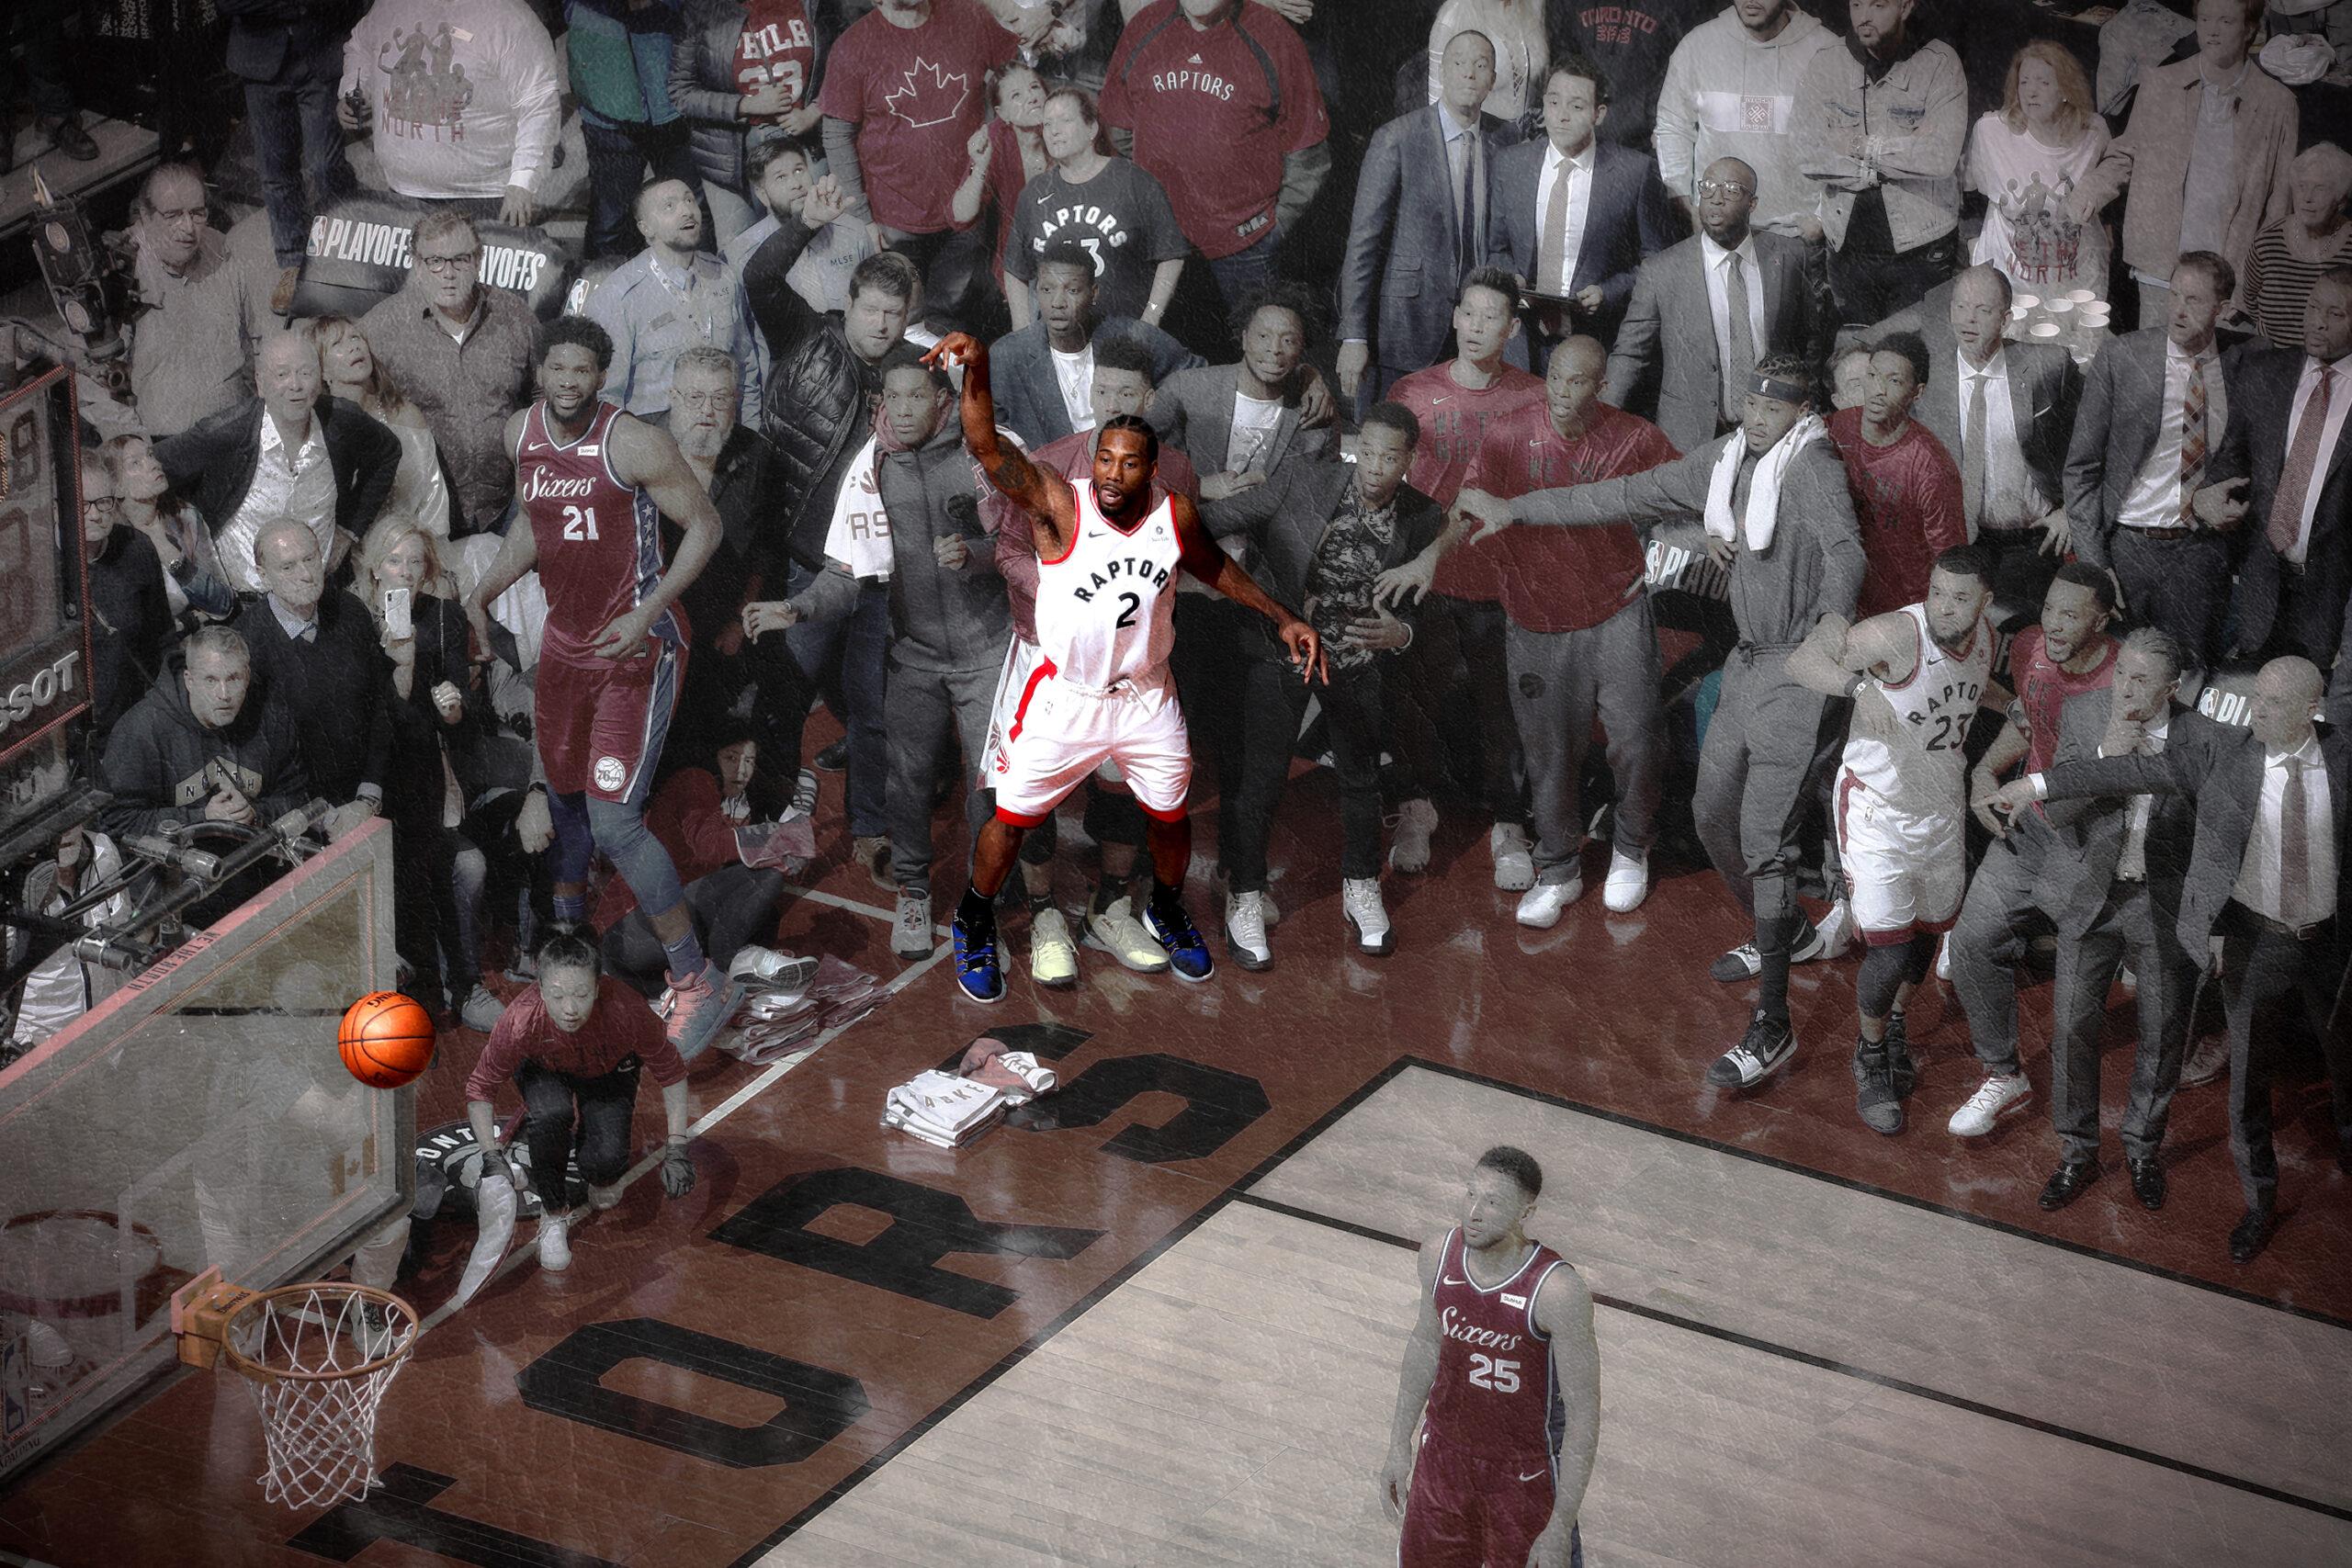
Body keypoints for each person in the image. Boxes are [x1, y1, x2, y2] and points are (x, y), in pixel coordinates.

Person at [1460, 354, 1863, 1089]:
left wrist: (1831, 635)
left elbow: (1846, 552)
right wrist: (1517, 509)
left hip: (1800, 666)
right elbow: (1622, 493)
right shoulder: (1729, 457)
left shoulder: (1812, 467)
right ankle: (1790, 934)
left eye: (1774, 409)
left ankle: (1773, 1025)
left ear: (1803, 413)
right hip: (1749, 661)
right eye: (1752, 404)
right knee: (1712, 816)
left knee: (1764, 841)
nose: (1758, 418)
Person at [929, 329, 1321, 1002]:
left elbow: (1215, 567)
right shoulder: (1060, 499)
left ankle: (1157, 908)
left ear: (1152, 468)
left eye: (1127, 463)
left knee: (1168, 812)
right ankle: (975, 917)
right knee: (1013, 816)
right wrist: (978, 369)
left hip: (1144, 692)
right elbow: (987, 446)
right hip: (1066, 690)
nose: (1111, 474)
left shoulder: (1174, 508)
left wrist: (1280, 614)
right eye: (1104, 460)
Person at [1990, 658, 2352, 1264]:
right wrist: (2035, 786)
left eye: (2271, 704)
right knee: (2249, 1084)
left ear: (2310, 711)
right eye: (2255, 697)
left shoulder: (2343, 756)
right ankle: (2259, 1203)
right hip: (2257, 940)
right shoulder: (2225, 753)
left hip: (2332, 945)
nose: (2255, 712)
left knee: (2345, 1062)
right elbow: (2132, 769)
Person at [462, 317, 744, 1060]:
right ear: (541, 371)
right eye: (556, 367)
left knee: (615, 822)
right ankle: (573, 945)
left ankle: (698, 978)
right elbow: (536, 524)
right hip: (566, 644)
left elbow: (706, 527)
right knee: (562, 794)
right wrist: (483, 590)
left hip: (636, 646)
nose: (567, 381)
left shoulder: (634, 442)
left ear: (601, 377)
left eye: (581, 370)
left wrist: (650, 609)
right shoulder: (521, 434)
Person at [743, 348, 1013, 960]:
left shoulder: (988, 450)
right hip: (913, 656)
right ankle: (914, 890)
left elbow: (1029, 544)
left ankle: (982, 903)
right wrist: (798, 608)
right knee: (907, 779)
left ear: (943, 400)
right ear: (879, 402)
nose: (905, 409)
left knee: (990, 783)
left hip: (988, 653)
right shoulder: (870, 468)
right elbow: (847, 572)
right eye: (894, 397)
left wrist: (975, 554)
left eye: (918, 396)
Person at [986, 338, 1203, 986]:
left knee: (1123, 786)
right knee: (1033, 794)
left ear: (1149, 399)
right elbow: (1007, 551)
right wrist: (1071, 596)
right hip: (1050, 658)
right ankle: (1046, 914)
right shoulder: (1049, 464)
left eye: (1125, 392)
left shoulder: (1176, 471)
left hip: (1131, 671)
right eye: (1101, 389)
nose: (1111, 402)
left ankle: (1109, 907)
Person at [1198, 403, 1445, 963]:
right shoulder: (1304, 480)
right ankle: (1246, 895)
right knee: (1261, 782)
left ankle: (1362, 888)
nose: (1375, 467)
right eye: (1368, 452)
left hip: (1358, 664)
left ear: (1409, 459)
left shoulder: (1423, 515)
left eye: (1390, 457)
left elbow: (1425, 606)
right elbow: (1211, 521)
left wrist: (1401, 633)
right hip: (1283, 653)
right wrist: (1237, 587)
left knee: (1361, 782)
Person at [1456, 335, 1678, 923]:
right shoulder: (1508, 432)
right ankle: (1558, 867)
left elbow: (1682, 492)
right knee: (1548, 752)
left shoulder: (1634, 436)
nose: (1559, 391)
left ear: (1601, 387)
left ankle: (1631, 846)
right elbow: (1471, 497)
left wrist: (1688, 537)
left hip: (1617, 608)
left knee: (1636, 736)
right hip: (1537, 616)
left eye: (1576, 381)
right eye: (1553, 376)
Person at [1785, 547, 1996, 1133]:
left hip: (1941, 807)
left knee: (1926, 933)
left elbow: (1972, 687)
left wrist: (2016, 705)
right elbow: (1803, 661)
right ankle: (1870, 1052)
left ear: (1985, 603)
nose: (1944, 607)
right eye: (1937, 592)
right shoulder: (1898, 634)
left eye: (1960, 597)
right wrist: (1858, 689)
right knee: (1890, 948)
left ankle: (1895, 1022)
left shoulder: (1986, 641)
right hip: (1876, 810)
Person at [739, 249, 922, 884]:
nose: (881, 323)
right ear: (849, 303)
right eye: (871, 309)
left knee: (872, 712)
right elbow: (760, 276)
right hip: (809, 566)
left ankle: (869, 829)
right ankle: (770, 820)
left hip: (875, 574)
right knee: (785, 701)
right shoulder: (812, 338)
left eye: (893, 313)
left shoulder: (913, 369)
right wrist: (806, 222)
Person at [2029, 627, 2204, 1214]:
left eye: (2141, 679)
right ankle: (2077, 1151)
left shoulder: (2199, 736)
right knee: (2072, 1029)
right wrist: (2104, 757)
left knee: (2162, 1031)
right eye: (2121, 672)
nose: (2124, 687)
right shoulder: (2086, 715)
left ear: (2172, 689)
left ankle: (2142, 1149)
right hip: (2092, 899)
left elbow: (2216, 834)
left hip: (2160, 904)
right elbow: (2057, 811)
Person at [1944, 564, 2117, 1140]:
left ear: (2102, 621)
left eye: (2070, 614)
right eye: (2049, 609)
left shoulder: (2123, 681)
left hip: (2092, 842)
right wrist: (1984, 772)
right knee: (1972, 942)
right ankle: (2003, 1074)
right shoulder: (2029, 647)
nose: (2054, 624)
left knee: (2081, 998)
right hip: (2031, 822)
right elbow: (2029, 717)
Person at [1383, 269, 1544, 889]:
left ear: (1512, 329)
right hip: (1427, 578)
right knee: (1415, 702)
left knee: (1501, 709)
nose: (1476, 327)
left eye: (1490, 317)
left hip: (1501, 582)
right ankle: (1416, 810)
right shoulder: (1414, 391)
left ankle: (1509, 825)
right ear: (1454, 318)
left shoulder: (1532, 396)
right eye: (1468, 313)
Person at [1377, 1145, 1597, 1568]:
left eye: (1493, 1202)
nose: (1474, 1212)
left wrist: (1560, 1524)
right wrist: (1398, 1444)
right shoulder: (1438, 1255)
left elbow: (1584, 1416)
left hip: (1525, 1474)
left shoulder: (1557, 1291)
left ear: (1525, 1213)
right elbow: (1425, 1344)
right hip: (1443, 1459)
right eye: (1470, 1194)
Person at [463, 931, 700, 1275]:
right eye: (557, 995)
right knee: (551, 1114)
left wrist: (677, 1146)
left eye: (581, 994)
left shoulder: (628, 1011)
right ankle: (553, 1211)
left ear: (599, 988)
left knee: (605, 1166)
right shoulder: (519, 1022)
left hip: (608, 1069)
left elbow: (672, 1072)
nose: (570, 1009)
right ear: (540, 989)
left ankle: (597, 1165)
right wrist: (490, 1154)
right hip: (544, 1068)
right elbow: (480, 1089)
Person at [1101, 0, 1330, 323]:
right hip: (1161, 242)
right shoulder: (1146, 26)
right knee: (1158, 344)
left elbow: (1307, 148)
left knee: (1258, 346)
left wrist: (1275, 227)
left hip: (1247, 244)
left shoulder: (1272, 35)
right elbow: (1119, 126)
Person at [2064, 252, 2238, 671]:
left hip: (2199, 552)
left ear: (2222, 309)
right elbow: (2081, 469)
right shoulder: (2122, 357)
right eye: (2173, 294)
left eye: (2193, 300)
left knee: (2187, 673)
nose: (2178, 309)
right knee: (2115, 670)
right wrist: (2095, 563)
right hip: (2128, 549)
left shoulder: (2244, 362)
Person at [2073, 0, 2294, 328]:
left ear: (2250, 29)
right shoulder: (2160, 83)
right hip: (2161, 267)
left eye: (2225, 21)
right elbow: (2126, 154)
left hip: (2227, 277)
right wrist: (2091, 188)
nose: (2212, 31)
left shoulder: (2276, 103)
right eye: (2205, 19)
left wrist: (2254, 285)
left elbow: (2279, 205)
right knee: (2158, 355)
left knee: (2218, 361)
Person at [357, 514, 498, 1028]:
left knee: (448, 866)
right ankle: (414, 995)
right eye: (394, 560)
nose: (406, 571)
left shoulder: (444, 617)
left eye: (416, 561)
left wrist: (453, 710)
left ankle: (461, 987)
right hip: (368, 773)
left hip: (423, 771)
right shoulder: (354, 617)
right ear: (375, 568)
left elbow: (463, 724)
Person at [1602, 156, 1833, 455]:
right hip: (1690, 435)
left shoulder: (1788, 255)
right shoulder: (1662, 270)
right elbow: (1630, 353)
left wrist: (1806, 401)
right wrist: (1602, 417)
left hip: (1775, 432)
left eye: (1731, 190)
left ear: (1752, 203)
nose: (1716, 198)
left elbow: (1811, 338)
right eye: (1708, 187)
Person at [1338, 32, 1515, 406]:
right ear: (1441, 72)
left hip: (1475, 331)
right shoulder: (1397, 138)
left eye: (1481, 65)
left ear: (1493, 79)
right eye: (1459, 63)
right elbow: (1363, 244)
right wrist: (1354, 335)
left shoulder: (1506, 139)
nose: (1469, 73)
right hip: (1404, 326)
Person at [1896, 265, 2079, 627]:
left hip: (2033, 539)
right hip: (1958, 541)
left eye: (1982, 310)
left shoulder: (2048, 366)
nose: (1969, 319)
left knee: (2022, 633)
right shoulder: (1928, 378)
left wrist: (2070, 510)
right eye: (1961, 307)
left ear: (2006, 320)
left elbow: (2089, 447)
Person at [96, 626, 314, 925]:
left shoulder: (270, 718)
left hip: (258, 888)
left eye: (233, 679)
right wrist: (203, 820)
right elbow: (116, 825)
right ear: (189, 680)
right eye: (211, 680)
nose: (224, 695)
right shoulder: (142, 731)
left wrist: (256, 814)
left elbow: (299, 796)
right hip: (178, 903)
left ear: (247, 676)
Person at [155, 329, 401, 592]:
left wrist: (349, 529)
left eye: (305, 373)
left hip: (320, 593)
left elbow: (388, 452)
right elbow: (152, 465)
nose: (295, 385)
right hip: (244, 598)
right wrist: (155, 530)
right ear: (260, 383)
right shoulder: (228, 431)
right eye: (282, 375)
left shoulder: (340, 420)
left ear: (320, 378)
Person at [359, 210, 547, 539]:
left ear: (478, 261)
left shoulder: (515, 316)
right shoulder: (381, 327)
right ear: (417, 265)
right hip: (421, 514)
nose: (448, 273)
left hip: (506, 503)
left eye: (460, 259)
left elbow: (541, 393)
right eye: (435, 261)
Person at [818, 0, 1018, 298]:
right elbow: (837, 136)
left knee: (953, 310)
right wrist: (861, 219)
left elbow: (1018, 72)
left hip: (968, 205)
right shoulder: (852, 47)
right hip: (892, 221)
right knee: (903, 311)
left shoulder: (970, 16)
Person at [1487, 54, 1678, 359]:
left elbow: (1658, 260)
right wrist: (1512, 278)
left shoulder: (1635, 172)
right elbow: (1496, 247)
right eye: (1553, 102)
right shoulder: (1510, 165)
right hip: (1520, 339)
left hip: (1596, 341)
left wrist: (1609, 292)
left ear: (1598, 114)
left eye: (1576, 106)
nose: (1562, 116)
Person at [662, 344, 794, 771]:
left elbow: (766, 551)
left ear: (736, 401)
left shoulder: (757, 457)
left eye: (720, 399)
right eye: (695, 397)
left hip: (720, 630)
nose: (707, 410)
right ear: (672, 396)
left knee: (710, 745)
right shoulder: (642, 445)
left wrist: (739, 619)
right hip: (656, 627)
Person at [1795, 0, 1965, 327]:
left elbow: (1940, 157)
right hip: (1847, 250)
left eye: (1878, 4)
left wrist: (1858, 146)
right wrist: (1899, 157)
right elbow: (1805, 150)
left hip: (1923, 248)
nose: (1864, 16)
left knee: (1913, 348)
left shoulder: (1940, 63)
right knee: (1855, 348)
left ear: (1906, 7)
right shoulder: (1826, 62)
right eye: (1856, 4)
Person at [2214, 268, 2352, 669]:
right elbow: (2232, 458)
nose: (2318, 322)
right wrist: (2213, 496)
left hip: (2330, 595)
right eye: (2313, 307)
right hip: (2260, 580)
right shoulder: (2264, 372)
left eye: (2336, 314)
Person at [76, 164, 271, 445]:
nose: (188, 228)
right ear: (146, 216)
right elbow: (93, 381)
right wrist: (133, 443)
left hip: (238, 422)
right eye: (173, 215)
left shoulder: (221, 247)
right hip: (165, 440)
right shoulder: (118, 269)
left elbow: (259, 335)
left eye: (197, 213)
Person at [591, 724, 792, 993]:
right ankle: (728, 966)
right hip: (629, 933)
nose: (741, 771)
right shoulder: (696, 781)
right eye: (731, 758)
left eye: (749, 761)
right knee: (767, 877)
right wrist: (780, 837)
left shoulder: (714, 796)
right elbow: (708, 845)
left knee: (766, 913)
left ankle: (729, 968)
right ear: (712, 756)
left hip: (637, 948)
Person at [232, 520, 393, 844]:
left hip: (370, 796)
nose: (305, 574)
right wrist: (322, 816)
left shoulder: (349, 611)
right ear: (264, 576)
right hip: (301, 818)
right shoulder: (247, 644)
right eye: (288, 567)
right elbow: (254, 754)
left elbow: (381, 706)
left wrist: (368, 797)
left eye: (310, 559)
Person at [336, 0, 562, 226]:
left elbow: (539, 102)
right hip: (402, 191)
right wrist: (353, 89)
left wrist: (523, 181)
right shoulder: (390, 5)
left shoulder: (509, 18)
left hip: (485, 197)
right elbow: (360, 47)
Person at [1001, 87, 1189, 333]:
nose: (1054, 131)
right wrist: (1023, 331)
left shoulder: (1133, 180)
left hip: (1125, 335)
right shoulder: (1035, 192)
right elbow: (1014, 269)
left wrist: (1150, 320)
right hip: (1060, 341)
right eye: (1047, 124)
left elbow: (1171, 254)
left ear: (1091, 128)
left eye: (1065, 120)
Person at [986, 241, 1202, 449]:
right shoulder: (1008, 355)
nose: (1057, 303)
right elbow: (994, 432)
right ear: (1036, 292)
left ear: (1093, 293)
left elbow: (1198, 378)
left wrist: (1144, 423)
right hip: (1053, 470)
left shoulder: (1132, 336)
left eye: (1072, 291)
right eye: (1047, 289)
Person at [585, 179, 765, 425]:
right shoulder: (619, 295)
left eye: (689, 199)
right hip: (654, 437)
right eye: (669, 206)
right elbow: (606, 396)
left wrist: (751, 434)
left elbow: (745, 370)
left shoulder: (723, 276)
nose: (687, 211)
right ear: (646, 228)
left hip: (723, 434)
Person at [219, 0, 361, 311]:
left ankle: (347, 250)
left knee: (325, 164)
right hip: (261, 62)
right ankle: (292, 262)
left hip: (320, 53)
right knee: (276, 172)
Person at [1653, 0, 1833, 241]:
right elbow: (1672, 126)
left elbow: (1848, 138)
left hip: (1799, 235)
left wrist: (1821, 218)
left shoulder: (1826, 49)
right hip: (1718, 231)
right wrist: (1685, 204)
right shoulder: (1698, 45)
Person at [672, 0, 831, 248]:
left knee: (817, 242)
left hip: (804, 142)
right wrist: (745, 104)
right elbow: (681, 92)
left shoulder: (812, 4)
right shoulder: (701, 9)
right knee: (742, 250)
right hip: (729, 154)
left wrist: (815, 110)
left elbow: (848, 65)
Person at [1828, 331, 1965, 618]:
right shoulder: (1837, 427)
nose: (1878, 390)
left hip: (1905, 610)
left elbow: (1951, 562)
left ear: (1917, 392)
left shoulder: (1931, 466)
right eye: (1873, 376)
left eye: (1894, 381)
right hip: (1844, 599)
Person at [1963, 41, 2111, 303]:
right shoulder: (1990, 131)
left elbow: (2109, 197)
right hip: (2009, 285)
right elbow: (1975, 192)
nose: (2031, 92)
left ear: (2065, 89)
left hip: (2077, 282)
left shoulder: (2094, 132)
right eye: (2024, 83)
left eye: (2044, 83)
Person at [568, 0, 699, 260]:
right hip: (607, 104)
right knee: (611, 221)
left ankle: (700, 283)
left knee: (690, 210)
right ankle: (602, 283)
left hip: (672, 94)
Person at [312, 315, 456, 536]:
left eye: (355, 337)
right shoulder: (319, 426)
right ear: (322, 371)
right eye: (337, 344)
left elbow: (432, 498)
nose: (353, 347)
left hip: (411, 547)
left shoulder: (405, 415)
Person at [79, 453, 176, 746]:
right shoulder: (40, 565)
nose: (95, 514)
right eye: (83, 505)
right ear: (57, 509)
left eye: (104, 502)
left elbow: (161, 637)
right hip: (70, 732)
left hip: (130, 721)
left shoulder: (136, 547)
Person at [724, 141, 876, 322]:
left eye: (799, 170)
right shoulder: (742, 253)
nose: (796, 184)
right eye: (781, 177)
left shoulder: (852, 231)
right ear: (762, 194)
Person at [103, 436, 235, 624]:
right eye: (136, 463)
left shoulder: (184, 516)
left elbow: (222, 602)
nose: (154, 464)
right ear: (117, 487)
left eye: (150, 455)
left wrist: (167, 550)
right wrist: (190, 620)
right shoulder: (112, 541)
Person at [951, 63, 1052, 300]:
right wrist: (980, 165)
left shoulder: (1068, 127)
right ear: (1002, 113)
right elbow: (961, 215)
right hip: (1020, 267)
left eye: (1035, 87)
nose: (1032, 98)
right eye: (1016, 95)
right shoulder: (995, 138)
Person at [2237, 143, 2352, 351]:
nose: (2307, 197)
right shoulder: (2267, 242)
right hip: (2272, 360)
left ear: (2341, 200)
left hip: (2333, 365)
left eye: (2320, 188)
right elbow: (2251, 299)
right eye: (2301, 186)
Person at [1425, 0, 1545, 121]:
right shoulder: (1454, 16)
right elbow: (1436, 102)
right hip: (1479, 130)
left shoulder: (1531, 5)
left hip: (1529, 129)